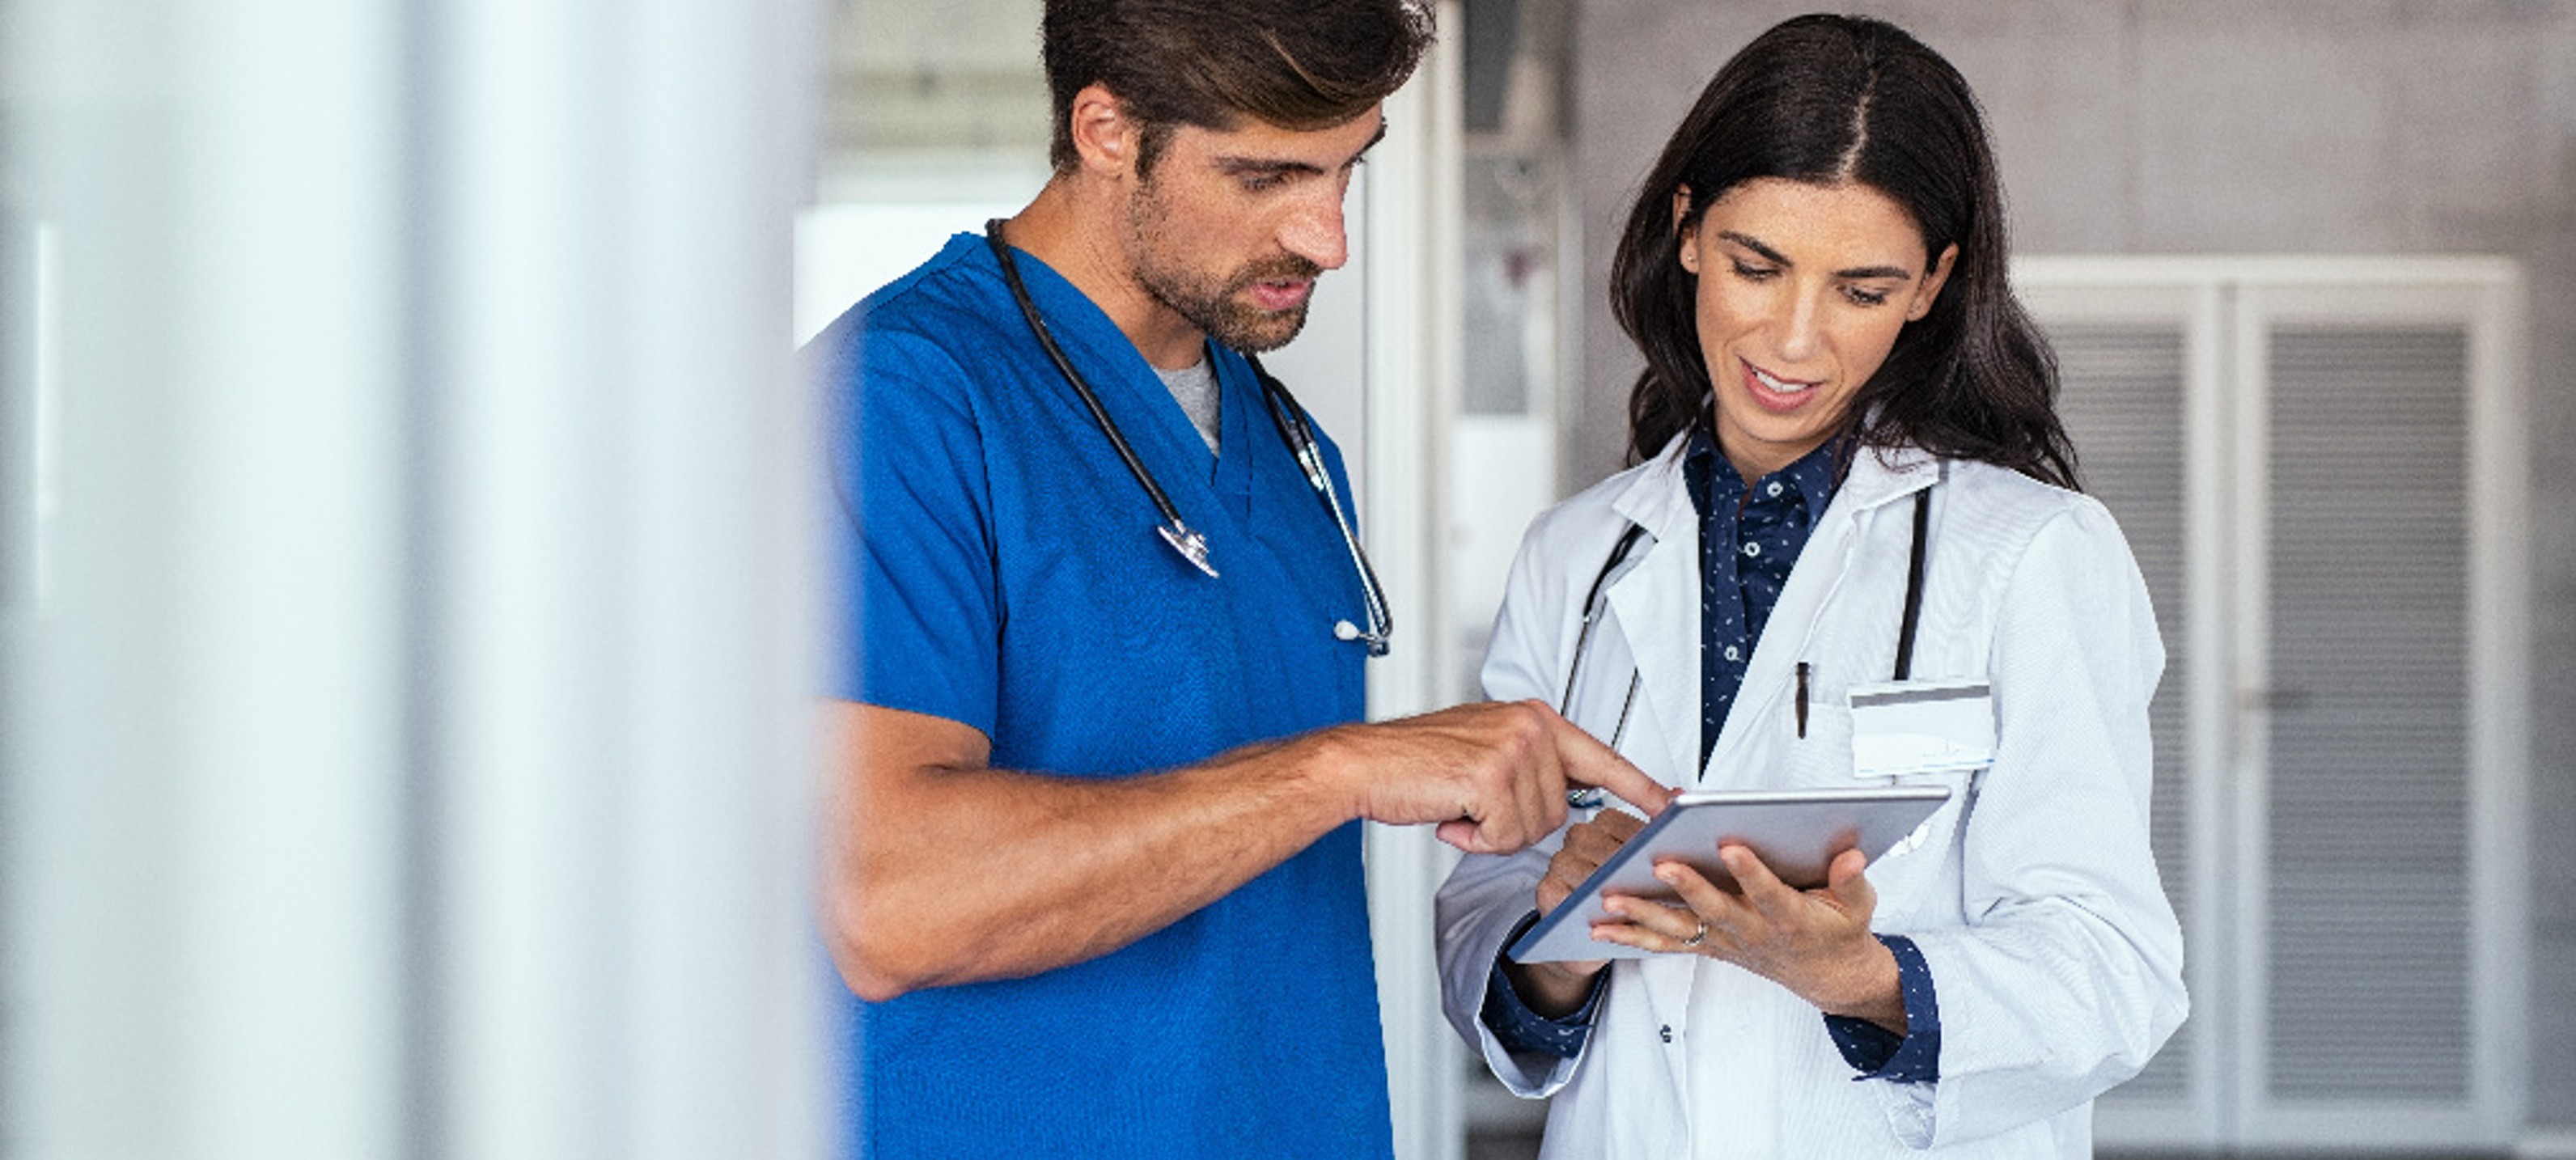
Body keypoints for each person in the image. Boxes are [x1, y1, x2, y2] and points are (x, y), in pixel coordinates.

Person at [806, 2, 1665, 1156]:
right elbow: (887, 898)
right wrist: (1339, 769)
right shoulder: (899, 401)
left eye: (1347, 171)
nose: (1328, 239)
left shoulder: (1294, 450)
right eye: (1268, 176)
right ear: (1106, 129)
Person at [1434, 14, 2188, 1158]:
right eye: (1757, 265)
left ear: (1932, 285)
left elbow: (2116, 970)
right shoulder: (1575, 555)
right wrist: (1561, 937)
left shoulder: (2036, 553)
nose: (1793, 339)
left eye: (1861, 289)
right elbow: (1476, 925)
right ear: (1688, 231)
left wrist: (1865, 977)